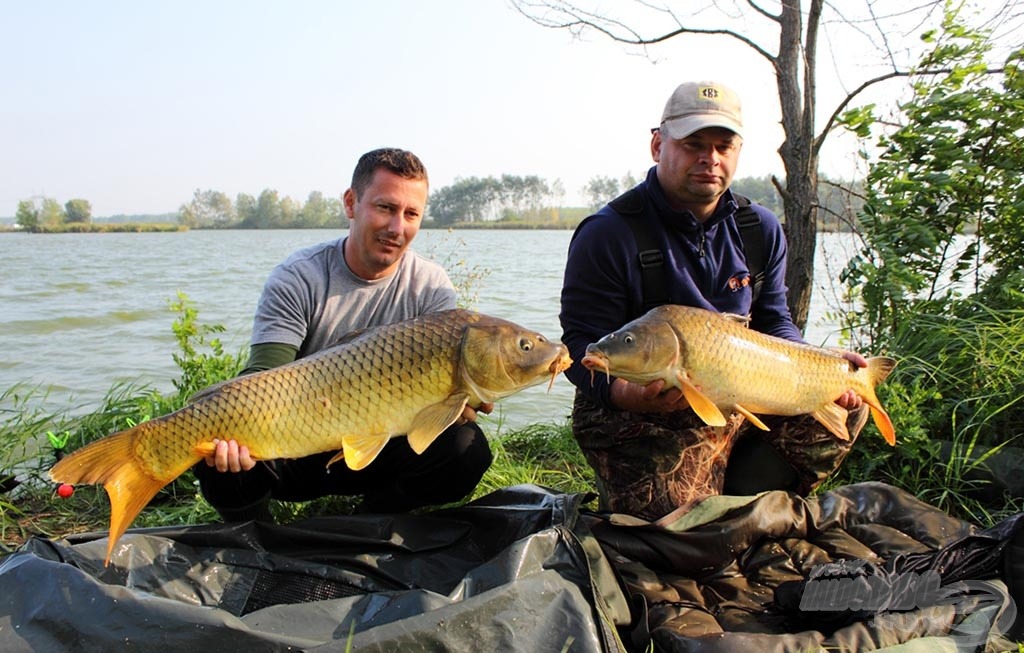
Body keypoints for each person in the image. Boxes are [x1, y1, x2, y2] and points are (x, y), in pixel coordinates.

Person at [559, 81, 869, 520]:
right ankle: (697, 498)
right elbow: (580, 345)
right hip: (640, 416)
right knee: (671, 531)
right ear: (657, 145)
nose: (710, 158)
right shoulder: (607, 233)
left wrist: (819, 363)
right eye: (693, 144)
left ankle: (734, 496)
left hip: (739, 394)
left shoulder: (759, 228)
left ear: (737, 152)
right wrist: (624, 393)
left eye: (724, 146)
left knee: (846, 406)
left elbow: (776, 321)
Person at [192, 147, 493, 522]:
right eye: (385, 208)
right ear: (351, 204)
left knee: (467, 449)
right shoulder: (299, 277)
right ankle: (258, 537)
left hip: (378, 449)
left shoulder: (430, 288)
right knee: (213, 451)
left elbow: (438, 412)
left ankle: (369, 520)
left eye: (411, 214)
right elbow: (262, 375)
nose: (397, 228)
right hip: (294, 443)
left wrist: (453, 407)